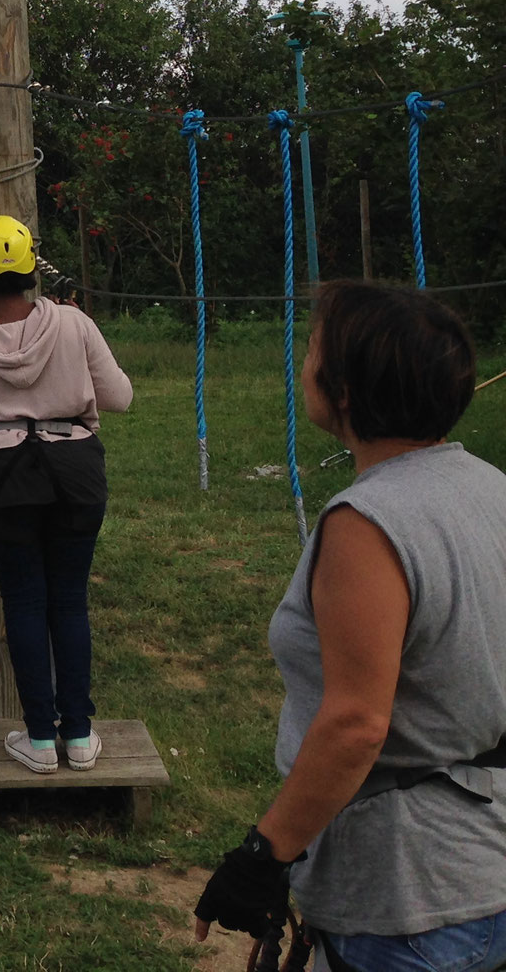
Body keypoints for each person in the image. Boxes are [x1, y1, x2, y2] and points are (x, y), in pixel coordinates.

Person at [195, 281, 506, 971]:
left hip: (407, 898)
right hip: (484, 870)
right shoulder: (490, 489)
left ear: (343, 390)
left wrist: (264, 854)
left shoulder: (367, 525)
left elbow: (357, 722)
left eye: (311, 352)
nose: (302, 365)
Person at [0, 215, 132, 774]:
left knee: (24, 602)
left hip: (7, 475)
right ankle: (78, 734)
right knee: (69, 599)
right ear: (30, 270)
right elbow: (119, 397)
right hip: (74, 468)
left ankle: (39, 739)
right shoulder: (74, 325)